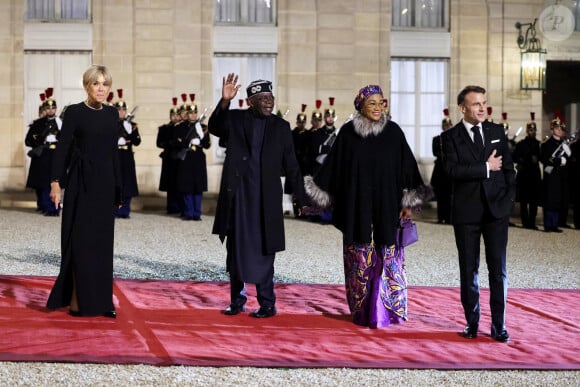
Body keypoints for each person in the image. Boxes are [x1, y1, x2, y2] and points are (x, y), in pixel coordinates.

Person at [305, 85, 430, 329]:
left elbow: (408, 168)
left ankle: (391, 310)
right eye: (371, 103)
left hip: (388, 207)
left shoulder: (393, 132)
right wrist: (314, 193)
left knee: (389, 257)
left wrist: (408, 202)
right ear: (360, 105)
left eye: (380, 102)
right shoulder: (348, 133)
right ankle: (363, 310)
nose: (377, 107)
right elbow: (333, 168)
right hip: (356, 208)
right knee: (360, 259)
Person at [208, 74, 308, 319]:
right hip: (239, 198)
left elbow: (292, 165)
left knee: (266, 249)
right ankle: (237, 300)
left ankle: (267, 302)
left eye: (270, 97)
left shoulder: (281, 127)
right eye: (262, 98)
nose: (268, 102)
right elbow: (214, 127)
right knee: (237, 250)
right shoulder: (235, 119)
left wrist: (300, 197)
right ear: (250, 101)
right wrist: (224, 101)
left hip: (266, 200)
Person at [441, 85, 515, 343]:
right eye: (476, 104)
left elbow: (509, 171)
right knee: (469, 270)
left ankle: (499, 325)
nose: (482, 108)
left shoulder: (496, 132)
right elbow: (451, 171)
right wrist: (485, 167)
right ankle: (472, 323)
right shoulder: (449, 138)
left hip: (496, 213)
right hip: (466, 213)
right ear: (463, 108)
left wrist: (507, 202)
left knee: (498, 271)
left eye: (484, 103)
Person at [46, 64, 121, 318]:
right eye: (96, 83)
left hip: (105, 184)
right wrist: (56, 182)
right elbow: (63, 148)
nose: (101, 88)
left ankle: (102, 302)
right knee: (81, 241)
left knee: (102, 243)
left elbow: (114, 154)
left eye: (105, 84)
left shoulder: (112, 115)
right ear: (87, 86)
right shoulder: (75, 113)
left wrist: (119, 190)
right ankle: (78, 300)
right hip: (80, 182)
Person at [172, 95, 210, 221]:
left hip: (198, 158)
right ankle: (189, 213)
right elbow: (176, 142)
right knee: (187, 187)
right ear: (187, 114)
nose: (193, 115)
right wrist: (188, 142)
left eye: (195, 113)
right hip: (187, 157)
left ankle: (197, 213)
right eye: (190, 113)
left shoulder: (203, 127)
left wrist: (201, 136)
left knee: (198, 187)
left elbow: (207, 144)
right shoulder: (180, 127)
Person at [25, 89, 62, 216]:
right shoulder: (38, 123)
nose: (51, 110)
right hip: (44, 154)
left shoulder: (61, 123)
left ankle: (55, 206)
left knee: (56, 180)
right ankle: (48, 207)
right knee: (45, 182)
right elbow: (29, 140)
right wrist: (40, 140)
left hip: (56, 153)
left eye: (53, 108)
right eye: (49, 108)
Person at [540, 116, 570, 233]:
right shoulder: (547, 144)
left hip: (560, 176)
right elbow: (546, 159)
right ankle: (548, 224)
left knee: (558, 200)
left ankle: (555, 224)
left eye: (560, 129)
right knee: (549, 200)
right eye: (557, 128)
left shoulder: (564, 144)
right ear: (552, 130)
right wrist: (560, 161)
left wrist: (567, 154)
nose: (559, 130)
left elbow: (568, 159)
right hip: (551, 175)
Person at [114, 89, 141, 219]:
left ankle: (125, 211)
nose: (121, 112)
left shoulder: (132, 125)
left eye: (123, 110)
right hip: (115, 156)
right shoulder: (110, 124)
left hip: (127, 155)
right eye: (119, 110)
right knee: (115, 183)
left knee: (128, 183)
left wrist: (129, 130)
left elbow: (137, 141)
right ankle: (115, 209)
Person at [512, 112, 541, 229]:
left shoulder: (539, 144)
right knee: (524, 202)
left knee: (534, 201)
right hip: (524, 175)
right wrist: (522, 160)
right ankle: (525, 222)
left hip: (534, 175)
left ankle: (532, 222)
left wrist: (536, 158)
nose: (532, 132)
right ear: (527, 131)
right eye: (530, 130)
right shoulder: (521, 144)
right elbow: (515, 157)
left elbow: (542, 157)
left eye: (534, 130)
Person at [157, 97, 182, 214]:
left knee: (181, 184)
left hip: (180, 159)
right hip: (169, 159)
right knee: (170, 185)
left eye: (177, 115)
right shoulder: (164, 128)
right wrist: (171, 143)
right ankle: (171, 207)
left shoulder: (183, 127)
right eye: (173, 115)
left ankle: (181, 207)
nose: (176, 117)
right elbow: (159, 143)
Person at [430, 108, 453, 224]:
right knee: (441, 196)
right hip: (440, 170)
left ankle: (449, 217)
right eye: (445, 125)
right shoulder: (437, 139)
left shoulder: (454, 139)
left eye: (449, 125)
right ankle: (441, 217)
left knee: (449, 196)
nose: (447, 127)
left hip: (450, 170)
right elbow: (435, 152)